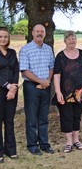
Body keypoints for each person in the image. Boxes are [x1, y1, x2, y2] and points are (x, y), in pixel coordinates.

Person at [19, 24, 55, 155]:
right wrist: (41, 82)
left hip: (46, 86)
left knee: (43, 117)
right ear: (32, 33)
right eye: (37, 31)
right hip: (31, 87)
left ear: (45, 33)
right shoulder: (25, 50)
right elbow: (24, 70)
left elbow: (51, 66)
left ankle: (44, 144)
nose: (40, 33)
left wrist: (47, 81)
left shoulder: (48, 49)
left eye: (42, 31)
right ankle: (32, 145)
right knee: (32, 118)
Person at [53, 30, 82, 153]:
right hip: (65, 92)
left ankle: (76, 140)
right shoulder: (60, 56)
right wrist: (58, 92)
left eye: (73, 38)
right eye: (69, 39)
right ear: (65, 41)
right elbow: (56, 75)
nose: (71, 41)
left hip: (80, 92)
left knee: (77, 116)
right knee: (66, 116)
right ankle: (68, 142)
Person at [0, 27, 19, 163]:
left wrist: (13, 89)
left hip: (12, 92)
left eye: (5, 36)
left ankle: (10, 149)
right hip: (1, 90)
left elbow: (16, 71)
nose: (3, 39)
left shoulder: (12, 52)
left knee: (9, 121)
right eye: (0, 36)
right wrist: (7, 86)